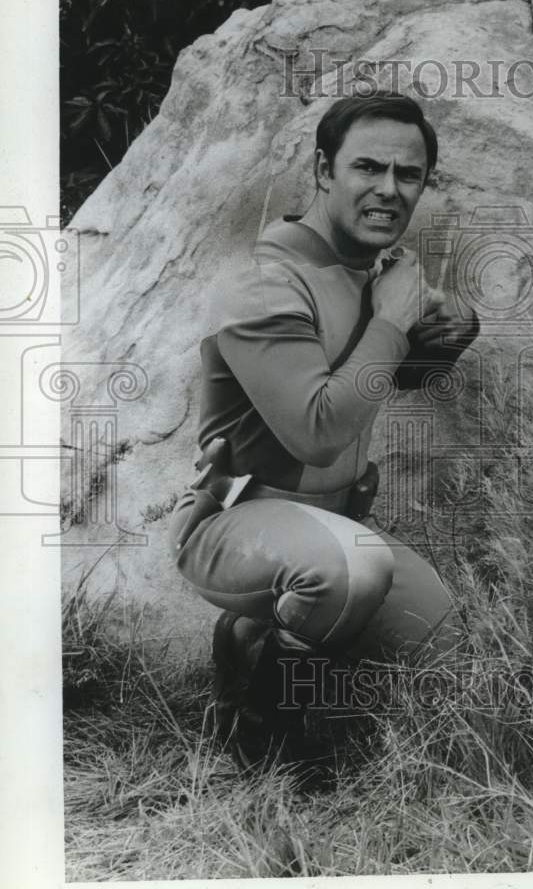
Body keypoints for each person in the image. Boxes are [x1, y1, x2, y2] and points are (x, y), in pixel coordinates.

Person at [168, 92, 479, 768]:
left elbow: (379, 374)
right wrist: (391, 321)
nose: (389, 189)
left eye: (409, 174)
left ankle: (259, 639)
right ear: (321, 170)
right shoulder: (263, 282)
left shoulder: (371, 272)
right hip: (235, 525)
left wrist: (447, 334)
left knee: (440, 638)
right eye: (368, 167)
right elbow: (317, 430)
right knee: (350, 572)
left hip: (331, 526)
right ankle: (261, 744)